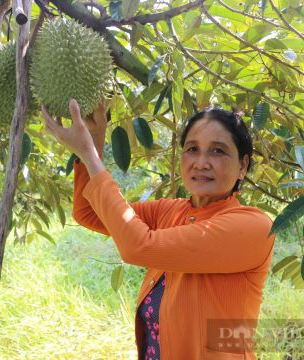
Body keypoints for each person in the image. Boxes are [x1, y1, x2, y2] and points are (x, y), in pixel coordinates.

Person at [42, 99, 276, 360]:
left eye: (218, 151)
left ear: (242, 166)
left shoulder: (254, 227)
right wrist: (95, 139)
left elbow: (138, 246)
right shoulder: (170, 212)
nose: (201, 162)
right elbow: (89, 212)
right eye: (192, 149)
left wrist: (88, 154)